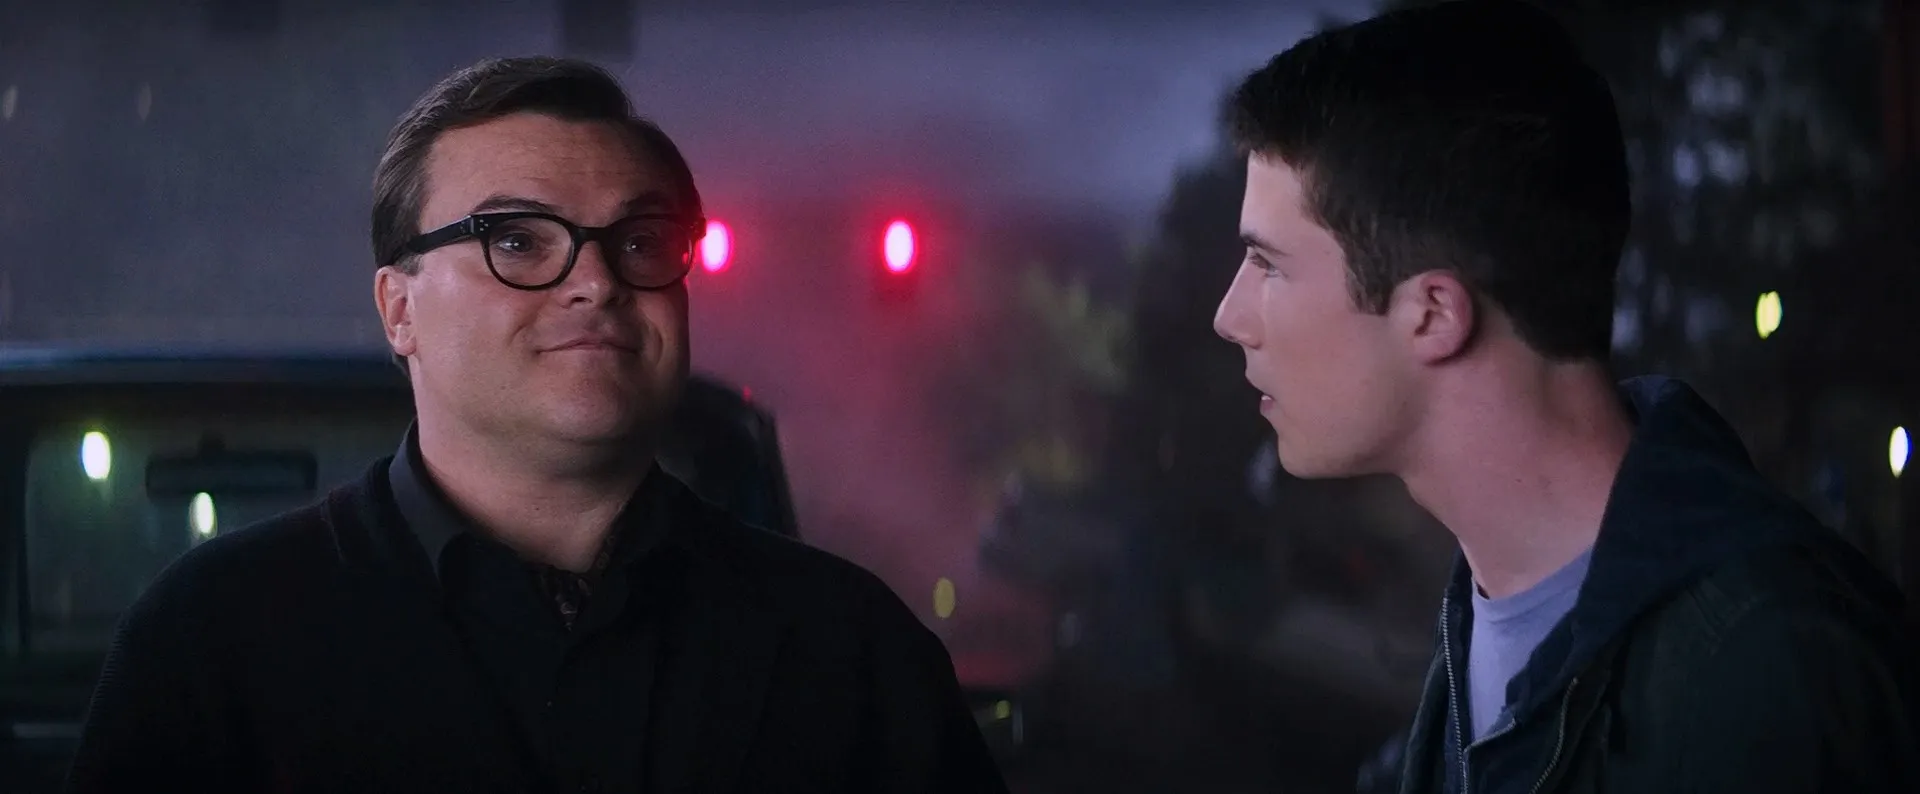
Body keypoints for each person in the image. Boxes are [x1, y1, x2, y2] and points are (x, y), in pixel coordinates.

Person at [66, 56, 1007, 793]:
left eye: (639, 241)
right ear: (398, 309)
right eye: (516, 239)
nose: (596, 281)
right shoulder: (211, 642)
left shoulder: (850, 650)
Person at [1213, 1, 1918, 792]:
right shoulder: (1489, 622)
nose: (1229, 316)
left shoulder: (1769, 677)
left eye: (1268, 265)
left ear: (1434, 314)